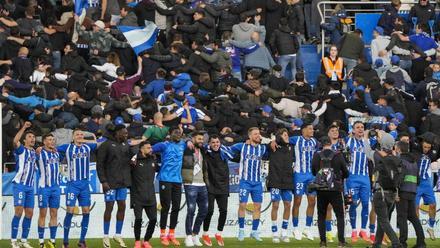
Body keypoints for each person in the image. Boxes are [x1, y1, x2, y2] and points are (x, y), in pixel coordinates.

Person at [57, 129, 98, 248]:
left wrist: (84, 140)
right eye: (77, 135)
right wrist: (41, 148)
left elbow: (96, 143)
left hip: (85, 185)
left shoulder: (87, 147)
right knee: (70, 211)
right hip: (72, 184)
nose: (80, 136)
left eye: (81, 134)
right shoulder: (67, 147)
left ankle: (82, 240)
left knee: (86, 211)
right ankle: (65, 242)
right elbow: (53, 148)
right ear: (73, 137)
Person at [97, 125, 135, 248]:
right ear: (117, 133)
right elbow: (100, 165)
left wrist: (133, 160)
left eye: (126, 133)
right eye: (124, 133)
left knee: (122, 205)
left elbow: (131, 157)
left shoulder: (126, 145)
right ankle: (105, 236)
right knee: (109, 207)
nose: (126, 135)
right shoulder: (106, 145)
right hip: (110, 183)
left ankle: (118, 234)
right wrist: (103, 181)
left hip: (122, 182)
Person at [228, 127, 268, 241]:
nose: (258, 136)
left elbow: (273, 144)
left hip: (257, 183)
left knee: (258, 207)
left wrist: (267, 140)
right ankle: (241, 230)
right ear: (249, 136)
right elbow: (229, 150)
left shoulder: (262, 148)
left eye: (258, 134)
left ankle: (254, 232)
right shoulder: (241, 146)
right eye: (255, 134)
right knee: (242, 205)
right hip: (245, 182)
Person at [152, 127, 190, 246]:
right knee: (166, 206)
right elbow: (148, 150)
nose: (178, 134)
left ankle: (171, 234)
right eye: (176, 132)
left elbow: (192, 141)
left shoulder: (183, 144)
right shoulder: (163, 145)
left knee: (176, 207)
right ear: (170, 134)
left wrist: (189, 141)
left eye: (179, 132)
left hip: (177, 180)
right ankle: (162, 234)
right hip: (165, 179)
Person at [312, 136, 349, 248]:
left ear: (321, 144)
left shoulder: (317, 155)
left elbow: (314, 172)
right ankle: (341, 242)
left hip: (321, 189)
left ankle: (323, 242)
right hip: (335, 189)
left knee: (321, 215)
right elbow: (346, 173)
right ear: (331, 143)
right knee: (340, 216)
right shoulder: (338, 155)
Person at [288, 123, 319, 241]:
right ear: (304, 130)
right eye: (310, 129)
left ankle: (307, 228)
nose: (312, 130)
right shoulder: (296, 139)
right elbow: (283, 139)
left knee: (312, 201)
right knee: (297, 201)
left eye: (312, 129)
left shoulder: (314, 142)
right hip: (299, 175)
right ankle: (295, 228)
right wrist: (274, 141)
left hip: (311, 176)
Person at [201, 135, 234, 247]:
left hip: (223, 186)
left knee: (223, 211)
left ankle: (219, 234)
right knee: (209, 211)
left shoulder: (224, 152)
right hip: (210, 186)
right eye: (213, 142)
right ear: (209, 143)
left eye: (217, 142)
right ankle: (205, 234)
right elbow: (200, 145)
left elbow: (234, 155)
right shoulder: (206, 152)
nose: (216, 144)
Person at [371, 133, 401, 248]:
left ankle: (396, 242)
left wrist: (365, 137)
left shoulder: (377, 155)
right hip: (393, 193)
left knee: (383, 221)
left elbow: (367, 149)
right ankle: (377, 243)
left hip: (381, 192)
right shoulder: (396, 158)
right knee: (383, 220)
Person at [394, 141, 426, 248]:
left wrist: (396, 190)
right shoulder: (414, 162)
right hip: (412, 192)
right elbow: (418, 179)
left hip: (402, 192)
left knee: (402, 217)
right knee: (413, 217)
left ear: (398, 149)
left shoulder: (400, 160)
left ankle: (402, 243)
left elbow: (400, 177)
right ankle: (421, 242)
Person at [11, 122, 37, 248]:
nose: (32, 139)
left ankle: (24, 240)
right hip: (20, 185)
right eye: (30, 137)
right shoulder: (22, 150)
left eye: (33, 137)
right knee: (18, 212)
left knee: (29, 213)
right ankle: (13, 240)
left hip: (30, 187)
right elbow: (15, 140)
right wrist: (24, 128)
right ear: (25, 140)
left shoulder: (34, 153)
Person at [345, 121, 372, 243]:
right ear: (353, 130)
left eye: (362, 127)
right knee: (353, 203)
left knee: (366, 204)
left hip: (365, 177)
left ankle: (363, 230)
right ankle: (354, 231)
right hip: (352, 177)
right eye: (358, 127)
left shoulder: (368, 142)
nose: (361, 129)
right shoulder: (348, 141)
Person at [267, 128, 294, 243]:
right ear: (279, 137)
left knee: (288, 205)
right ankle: (274, 233)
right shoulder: (272, 147)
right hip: (275, 180)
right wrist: (271, 142)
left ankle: (284, 231)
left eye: (287, 134)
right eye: (284, 135)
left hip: (287, 181)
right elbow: (263, 144)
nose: (287, 136)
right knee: (276, 205)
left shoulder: (291, 147)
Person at [182, 131, 209, 247]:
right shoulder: (187, 148)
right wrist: (187, 140)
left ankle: (195, 234)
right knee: (191, 210)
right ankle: (187, 236)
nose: (201, 141)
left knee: (204, 210)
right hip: (190, 183)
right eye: (199, 139)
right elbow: (181, 140)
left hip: (202, 184)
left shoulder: (202, 150)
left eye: (202, 139)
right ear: (193, 139)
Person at [130, 141, 157, 248]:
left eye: (151, 147)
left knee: (153, 220)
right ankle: (137, 241)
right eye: (148, 148)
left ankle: (146, 241)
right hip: (138, 196)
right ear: (141, 149)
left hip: (150, 195)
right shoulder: (134, 160)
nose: (150, 149)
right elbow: (127, 172)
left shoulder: (153, 159)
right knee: (138, 219)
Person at [37, 134, 61, 248]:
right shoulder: (39, 152)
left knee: (54, 213)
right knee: (43, 214)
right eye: (49, 140)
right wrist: (38, 148)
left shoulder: (56, 153)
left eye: (53, 139)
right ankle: (41, 242)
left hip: (55, 188)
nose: (52, 141)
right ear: (44, 142)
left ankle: (52, 241)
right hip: (44, 188)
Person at [415, 138, 437, 240]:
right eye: (425, 147)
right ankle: (418, 231)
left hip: (426, 183)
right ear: (421, 145)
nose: (426, 149)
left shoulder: (431, 154)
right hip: (416, 183)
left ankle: (430, 227)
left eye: (428, 147)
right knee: (415, 207)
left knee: (433, 205)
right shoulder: (415, 152)